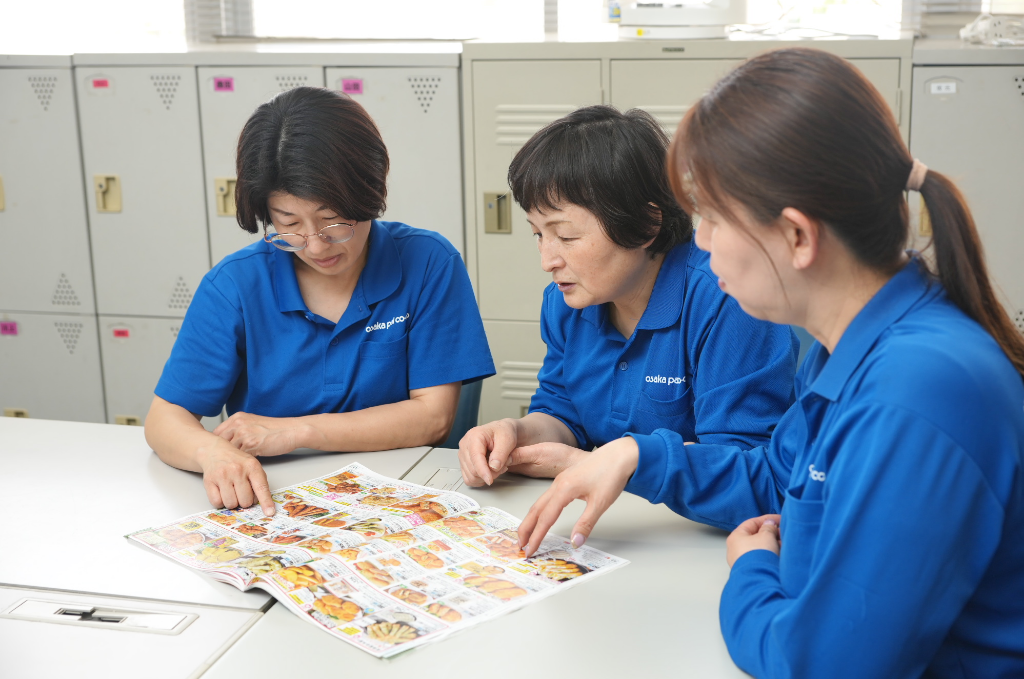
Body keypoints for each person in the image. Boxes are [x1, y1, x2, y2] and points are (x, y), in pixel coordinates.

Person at [517, 48, 1024, 677]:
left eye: (711, 219)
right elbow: (775, 481)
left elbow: (820, 664)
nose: (697, 242)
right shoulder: (847, 349)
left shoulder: (919, 390)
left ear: (797, 237)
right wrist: (638, 455)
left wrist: (751, 570)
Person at [146, 87, 494, 516]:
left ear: (369, 192)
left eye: (332, 220)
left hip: (401, 496)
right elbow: (165, 419)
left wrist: (294, 432)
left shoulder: (427, 263)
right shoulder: (235, 284)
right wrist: (211, 454)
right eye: (288, 224)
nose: (314, 244)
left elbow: (433, 418)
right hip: (276, 501)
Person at [458, 106, 798, 488]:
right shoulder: (567, 301)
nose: (547, 261)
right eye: (538, 234)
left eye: (566, 236)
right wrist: (514, 432)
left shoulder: (727, 301)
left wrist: (588, 464)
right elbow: (562, 412)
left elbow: (746, 467)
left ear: (645, 224)